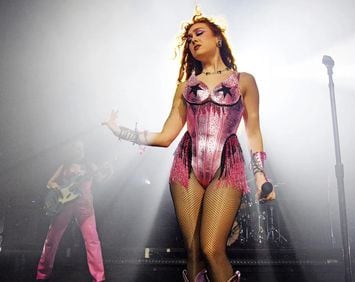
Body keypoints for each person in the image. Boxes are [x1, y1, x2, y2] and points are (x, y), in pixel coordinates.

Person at [103, 14, 275, 282]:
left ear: (218, 38)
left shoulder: (244, 81)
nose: (193, 39)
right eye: (189, 37)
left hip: (226, 167)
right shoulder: (185, 87)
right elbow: (165, 136)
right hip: (186, 167)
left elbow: (253, 131)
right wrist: (121, 132)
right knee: (193, 252)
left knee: (211, 248)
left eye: (200, 33)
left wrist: (260, 173)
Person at [36, 141, 111, 282]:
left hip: (85, 207)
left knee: (93, 242)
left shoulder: (90, 166)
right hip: (65, 205)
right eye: (75, 148)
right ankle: (42, 275)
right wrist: (58, 188)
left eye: (80, 148)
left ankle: (99, 278)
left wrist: (107, 172)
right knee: (51, 240)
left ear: (84, 149)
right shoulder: (65, 165)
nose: (78, 150)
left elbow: (101, 179)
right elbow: (50, 182)